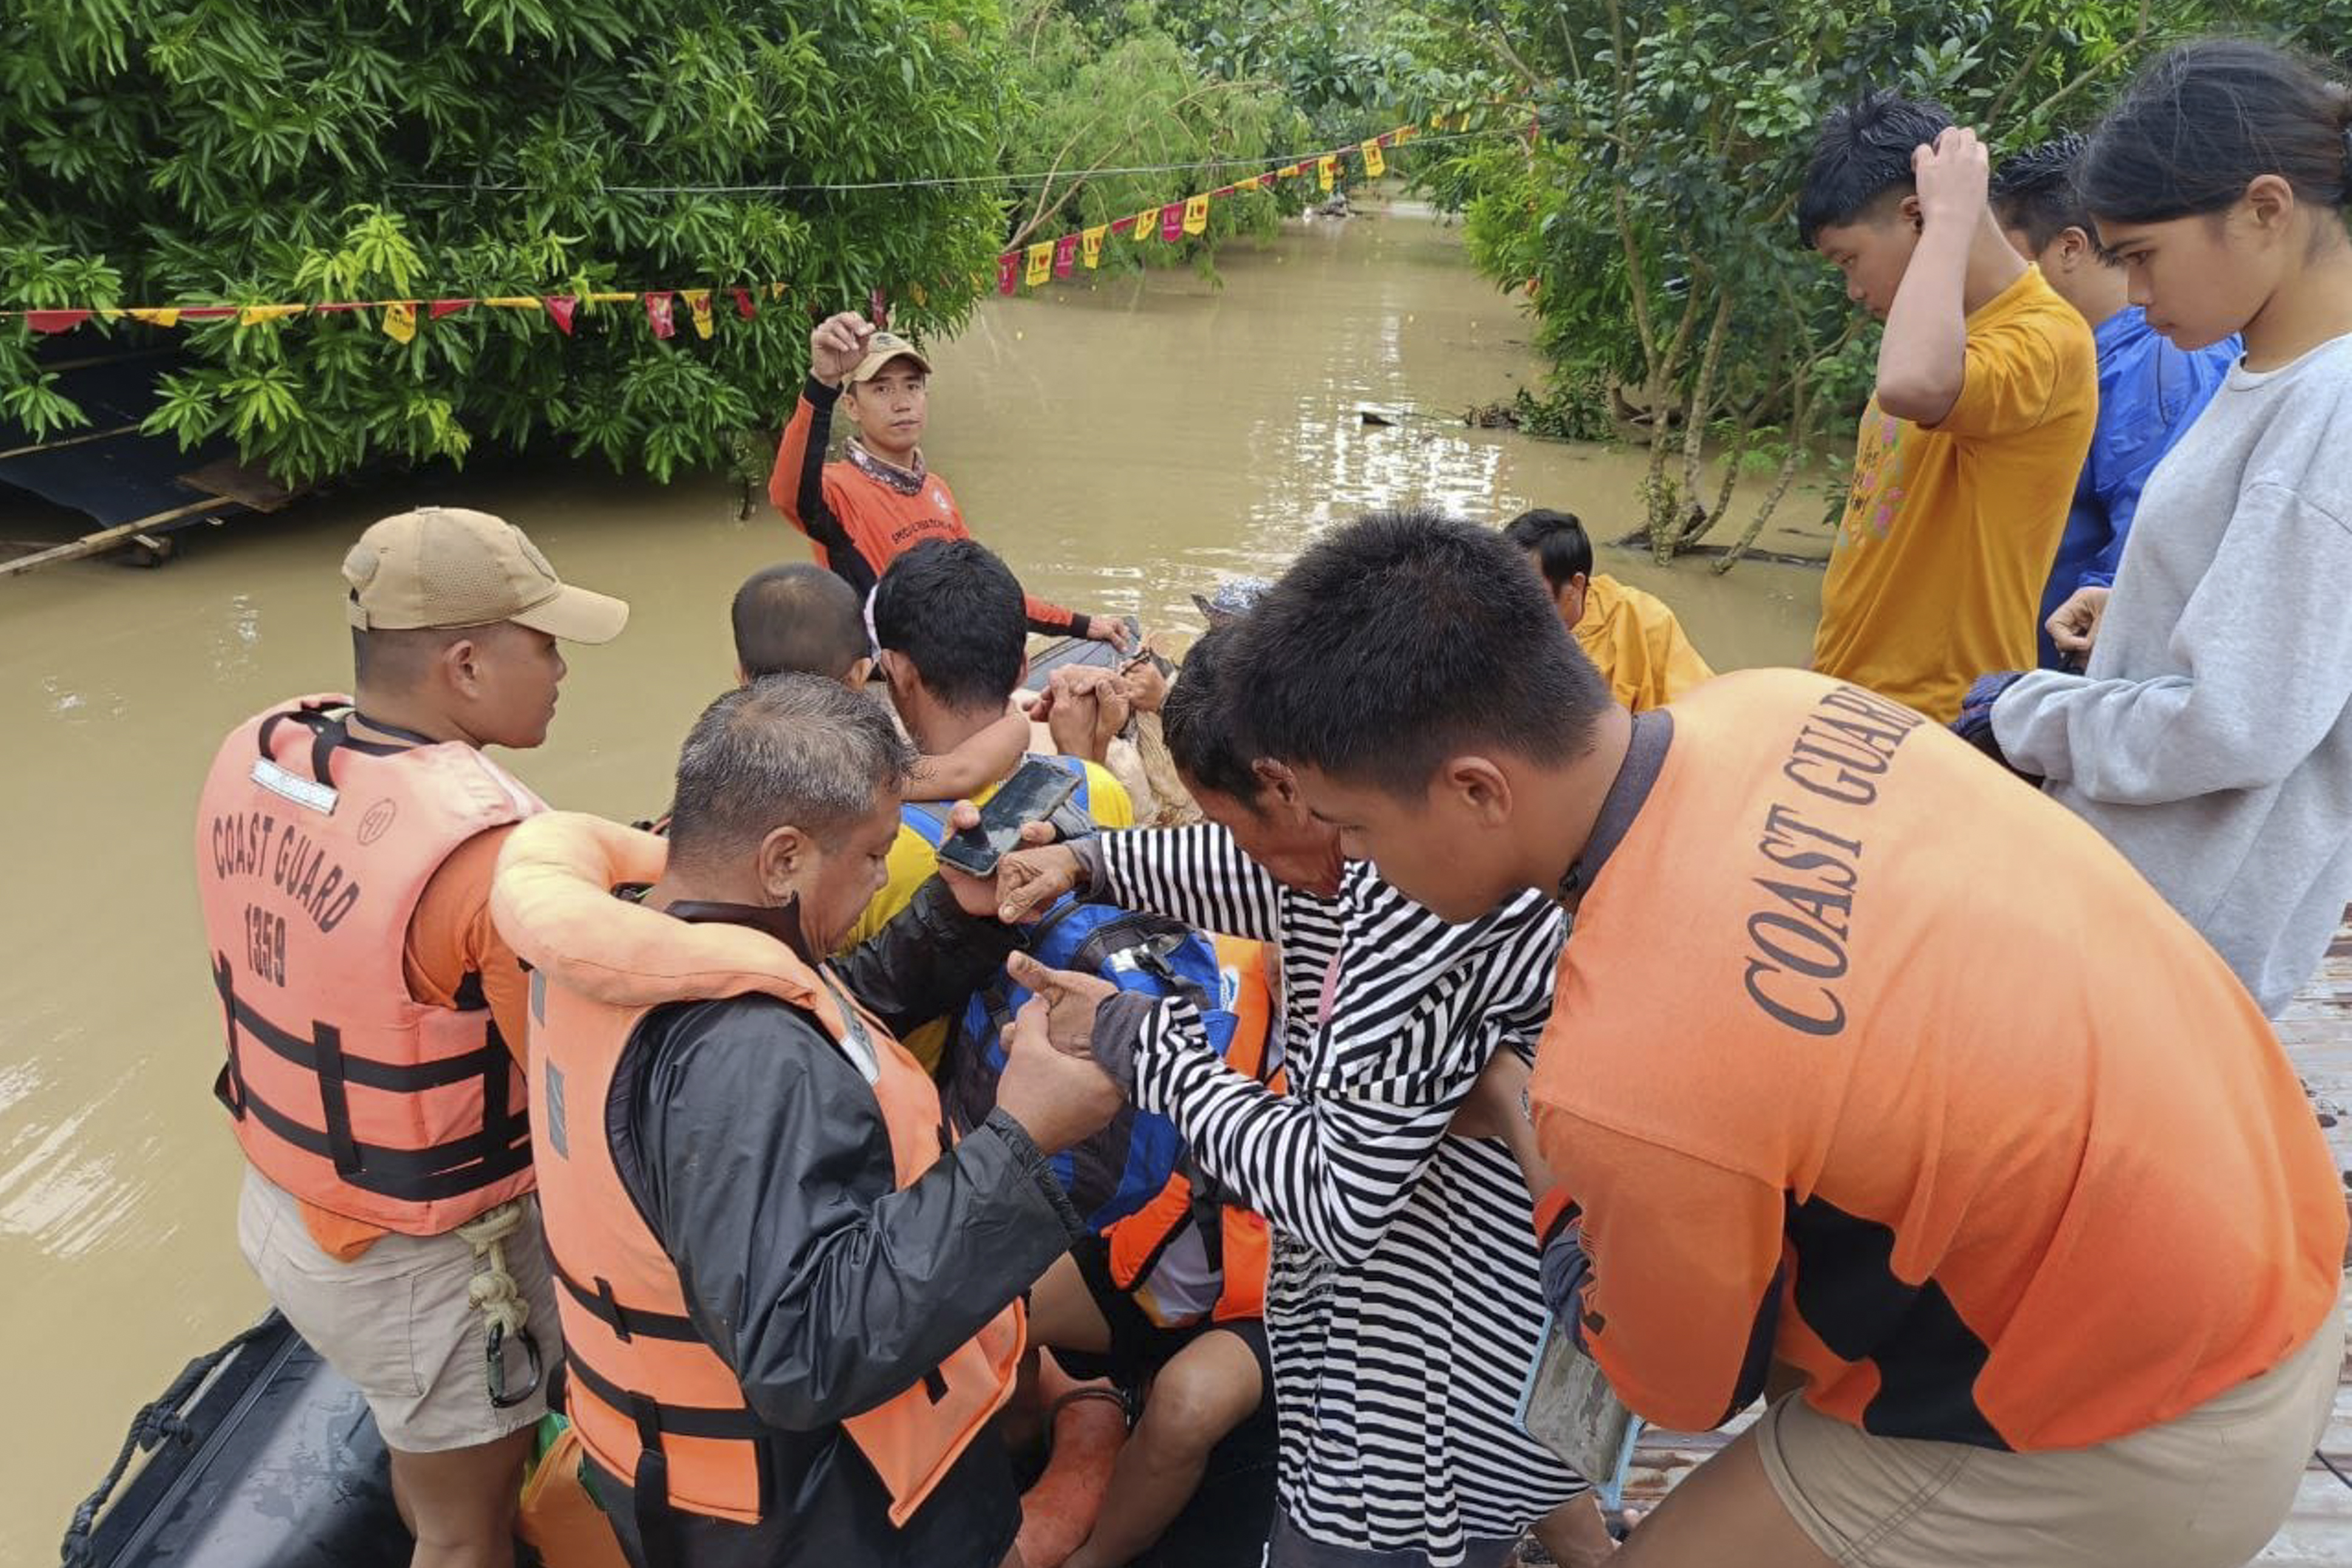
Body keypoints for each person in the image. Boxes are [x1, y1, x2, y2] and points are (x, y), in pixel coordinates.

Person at [1218, 507, 2345, 1568]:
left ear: (1473, 788)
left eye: (1357, 827)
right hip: (2272, 1232)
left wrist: (1525, 1121)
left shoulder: (1632, 1068)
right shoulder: (1778, 705)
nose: (1352, 865)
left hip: (2148, 1407)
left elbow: (1676, 1387)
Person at [988, 620, 1604, 1568]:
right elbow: (1242, 866)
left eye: (1247, 823)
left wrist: (1137, 1040)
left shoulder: (1408, 903)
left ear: (1291, 784)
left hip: (1420, 1383)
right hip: (1450, 1324)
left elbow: (1336, 1195)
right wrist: (1085, 857)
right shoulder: (1374, 833)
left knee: (1368, 1539)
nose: (1254, 861)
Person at [490, 675, 1123, 1568]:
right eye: (873, 855)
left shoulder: (627, 943)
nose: (878, 879)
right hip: (816, 1516)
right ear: (783, 858)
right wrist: (1022, 1141)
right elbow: (802, 1346)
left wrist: (953, 914)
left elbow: (830, 1014)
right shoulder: (743, 1058)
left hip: (679, 1471)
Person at [201, 505, 627, 1568]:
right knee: (460, 1534)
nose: (564, 668)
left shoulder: (272, 755)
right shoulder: (486, 859)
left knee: (432, 1466)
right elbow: (584, 1090)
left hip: (288, 1212)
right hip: (429, 1274)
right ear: (469, 665)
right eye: (546, 644)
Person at [1972, 40, 2352, 1019]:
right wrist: (2143, 602)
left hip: (2169, 953)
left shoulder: (2331, 410)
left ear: (2265, 209)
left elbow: (2236, 722)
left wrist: (2027, 712)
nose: (2135, 295)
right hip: (2128, 909)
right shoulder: (2267, 371)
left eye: (2143, 256)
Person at [1799, 93, 2096, 720]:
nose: (1852, 289)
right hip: (1851, 706)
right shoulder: (1935, 334)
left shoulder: (2045, 338)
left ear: (1917, 215)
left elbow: (1911, 386)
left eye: (1848, 260)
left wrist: (1950, 221)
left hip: (1936, 721)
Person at [1987, 135, 2238, 669]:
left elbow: (2151, 529)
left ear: (2071, 248)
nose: (1992, 281)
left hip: (2081, 668)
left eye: (2006, 258)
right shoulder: (2082, 355)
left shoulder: (2159, 357)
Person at [847, 538, 1135, 990]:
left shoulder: (873, 848)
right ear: (1022, 668)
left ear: (897, 670)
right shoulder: (1099, 787)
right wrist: (1081, 756)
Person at [770, 311, 1129, 648]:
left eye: (912, 386)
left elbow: (982, 589)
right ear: (851, 407)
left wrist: (1082, 624)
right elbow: (788, 494)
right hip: (886, 685)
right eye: (881, 389)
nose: (902, 403)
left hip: (952, 672)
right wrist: (823, 383)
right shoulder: (836, 490)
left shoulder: (936, 488)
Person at [728, 561, 1027, 799]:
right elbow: (961, 773)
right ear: (859, 675)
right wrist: (1016, 725)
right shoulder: (849, 761)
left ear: (742, 675)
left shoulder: (726, 750)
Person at [1503, 509, 1712, 710]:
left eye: (1528, 589)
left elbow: (1702, 707)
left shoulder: (1645, 620)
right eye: (1506, 584)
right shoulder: (1493, 618)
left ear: (1575, 586)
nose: (1512, 602)